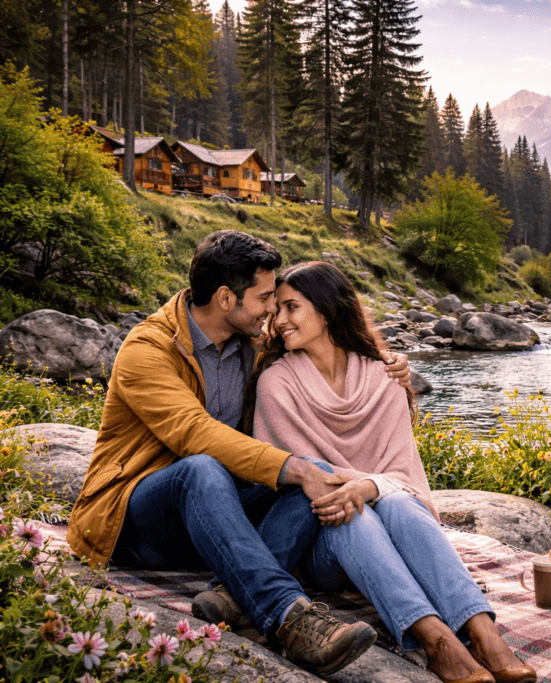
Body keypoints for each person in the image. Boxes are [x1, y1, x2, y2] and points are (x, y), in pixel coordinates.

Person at [67, 230, 411, 677]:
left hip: (215, 516)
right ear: (227, 298)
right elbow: (193, 433)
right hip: (136, 520)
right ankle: (287, 617)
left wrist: (386, 364)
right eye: (266, 296)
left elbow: (326, 354)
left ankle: (228, 596)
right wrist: (290, 466)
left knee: (317, 474)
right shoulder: (147, 349)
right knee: (205, 469)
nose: (274, 308)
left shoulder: (254, 344)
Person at [244, 261, 537, 683]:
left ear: (326, 311)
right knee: (350, 511)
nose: (280, 321)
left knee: (396, 501)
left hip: (391, 524)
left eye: (292, 307)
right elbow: (311, 479)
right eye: (277, 311)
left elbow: (403, 474)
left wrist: (368, 485)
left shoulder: (383, 375)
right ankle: (436, 641)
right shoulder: (277, 383)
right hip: (324, 543)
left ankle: (483, 632)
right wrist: (363, 489)